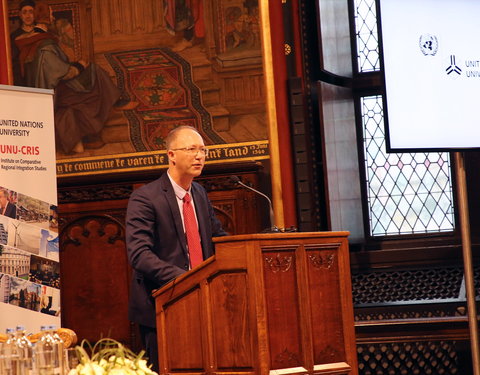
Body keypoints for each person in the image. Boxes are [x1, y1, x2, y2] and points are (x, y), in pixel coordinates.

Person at [125, 125, 227, 372]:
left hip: (204, 302)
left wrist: (241, 250)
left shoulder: (199, 193)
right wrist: (187, 280)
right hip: (163, 305)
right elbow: (139, 254)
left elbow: (217, 237)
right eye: (191, 149)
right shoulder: (145, 198)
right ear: (171, 155)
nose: (199, 156)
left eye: (203, 150)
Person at [14, 0, 125, 154]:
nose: (53, 18)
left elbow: (55, 67)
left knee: (92, 72)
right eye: (51, 14)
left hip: (49, 87)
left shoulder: (35, 40)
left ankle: (100, 120)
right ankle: (112, 105)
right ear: (46, 17)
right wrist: (80, 65)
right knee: (94, 75)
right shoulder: (44, 45)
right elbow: (64, 73)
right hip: (52, 93)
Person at [10, 0, 36, 86]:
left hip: (39, 74)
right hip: (22, 78)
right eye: (24, 12)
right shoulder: (14, 36)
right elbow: (13, 61)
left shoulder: (41, 32)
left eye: (30, 12)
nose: (28, 16)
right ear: (20, 15)